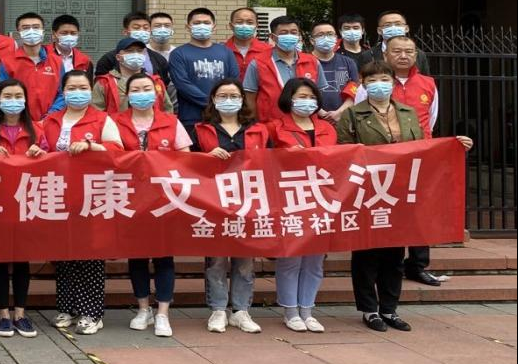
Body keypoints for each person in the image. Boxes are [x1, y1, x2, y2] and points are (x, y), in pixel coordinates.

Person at [337, 61, 472, 332]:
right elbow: (342, 152)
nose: (379, 85)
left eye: (384, 79)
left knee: (395, 253)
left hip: (400, 190)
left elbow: (423, 148)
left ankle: (389, 308)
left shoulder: (407, 112)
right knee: (366, 253)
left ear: (392, 82)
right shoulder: (352, 115)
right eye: (372, 80)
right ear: (363, 84)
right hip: (367, 190)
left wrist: (455, 145)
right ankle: (369, 309)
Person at [39, 70, 123, 335]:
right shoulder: (51, 120)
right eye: (72, 88)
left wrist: (92, 147)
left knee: (89, 254)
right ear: (63, 92)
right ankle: (68, 307)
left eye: (83, 87)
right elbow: (41, 147)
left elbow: (118, 151)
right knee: (63, 254)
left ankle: (91, 312)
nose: (78, 92)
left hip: (91, 195)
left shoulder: (102, 119)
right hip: (58, 194)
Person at [355, 35, 441, 286]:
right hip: (380, 160)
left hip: (417, 157)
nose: (403, 56)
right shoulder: (373, 83)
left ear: (416, 55)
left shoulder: (428, 83)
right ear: (385, 54)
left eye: (409, 51)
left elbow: (431, 119)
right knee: (382, 207)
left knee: (418, 210)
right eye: (397, 51)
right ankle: (383, 261)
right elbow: (360, 117)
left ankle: (417, 264)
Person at [112, 72, 192, 337]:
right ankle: (143, 308)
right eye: (135, 90)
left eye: (146, 88)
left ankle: (163, 313)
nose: (141, 94)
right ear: (127, 95)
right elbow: (110, 156)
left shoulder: (171, 121)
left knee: (163, 255)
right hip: (130, 199)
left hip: (164, 199)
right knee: (136, 255)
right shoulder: (115, 122)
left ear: (157, 92)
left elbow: (186, 158)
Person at [192, 79, 270, 335]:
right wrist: (205, 157)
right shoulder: (201, 130)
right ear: (213, 99)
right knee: (216, 259)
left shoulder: (258, 130)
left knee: (245, 259)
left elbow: (272, 163)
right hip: (213, 201)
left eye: (234, 95)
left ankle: (241, 310)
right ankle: (218, 309)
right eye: (223, 95)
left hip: (249, 201)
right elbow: (186, 162)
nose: (229, 100)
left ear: (242, 99)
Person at [0, 79, 47, 338]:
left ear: (25, 100)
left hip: (26, 203)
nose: (13, 101)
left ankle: (21, 314)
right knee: (1, 260)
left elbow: (52, 163)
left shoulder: (37, 130)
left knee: (23, 260)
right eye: (7, 96)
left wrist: (41, 154)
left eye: (17, 96)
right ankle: (4, 314)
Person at [267, 78, 334, 333]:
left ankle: (307, 309)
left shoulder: (327, 128)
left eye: (311, 97)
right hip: (289, 197)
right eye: (301, 97)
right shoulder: (275, 128)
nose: (307, 101)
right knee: (291, 257)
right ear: (289, 99)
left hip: (321, 196)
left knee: (315, 259)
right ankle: (290, 311)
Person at [243, 16, 326, 123]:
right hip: (270, 126)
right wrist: (254, 125)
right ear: (273, 37)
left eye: (293, 32)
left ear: (299, 36)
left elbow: (319, 94)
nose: (289, 36)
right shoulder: (258, 63)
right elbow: (250, 99)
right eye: (284, 33)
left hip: (306, 124)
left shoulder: (313, 62)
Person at [168, 8, 239, 129]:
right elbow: (182, 85)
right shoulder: (178, 54)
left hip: (224, 117)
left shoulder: (226, 52)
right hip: (192, 118)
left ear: (214, 27)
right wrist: (212, 104)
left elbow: (234, 81)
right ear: (187, 27)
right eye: (197, 23)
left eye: (206, 23)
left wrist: (223, 103)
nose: (202, 26)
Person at [0, 12, 64, 119]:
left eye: (36, 27)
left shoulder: (57, 61)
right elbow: (3, 94)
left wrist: (50, 116)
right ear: (19, 33)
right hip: (19, 121)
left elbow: (63, 94)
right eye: (25, 28)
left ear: (43, 32)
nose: (31, 31)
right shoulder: (7, 62)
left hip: (51, 121)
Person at [92, 11, 172, 86]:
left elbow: (163, 85)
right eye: (136, 28)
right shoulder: (109, 59)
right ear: (125, 32)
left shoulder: (159, 59)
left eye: (145, 28)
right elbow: (101, 85)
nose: (142, 31)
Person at [94, 37, 172, 112]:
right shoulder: (105, 83)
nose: (135, 54)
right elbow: (96, 113)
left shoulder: (156, 81)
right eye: (129, 51)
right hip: (114, 121)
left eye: (139, 51)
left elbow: (167, 110)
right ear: (118, 57)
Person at [308, 20, 359, 122]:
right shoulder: (304, 62)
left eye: (330, 34)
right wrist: (322, 113)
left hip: (343, 119)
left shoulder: (349, 62)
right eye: (320, 35)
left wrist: (339, 112)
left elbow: (354, 91)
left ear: (336, 38)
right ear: (312, 40)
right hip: (312, 119)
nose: (326, 38)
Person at [357, 10, 430, 75]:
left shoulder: (419, 54)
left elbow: (425, 80)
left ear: (406, 28)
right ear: (379, 30)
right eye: (387, 25)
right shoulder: (367, 55)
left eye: (398, 24)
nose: (393, 27)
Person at [225, 7, 271, 77]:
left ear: (256, 25)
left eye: (250, 22)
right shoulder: (222, 50)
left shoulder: (268, 50)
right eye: (239, 22)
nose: (244, 26)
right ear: (231, 26)